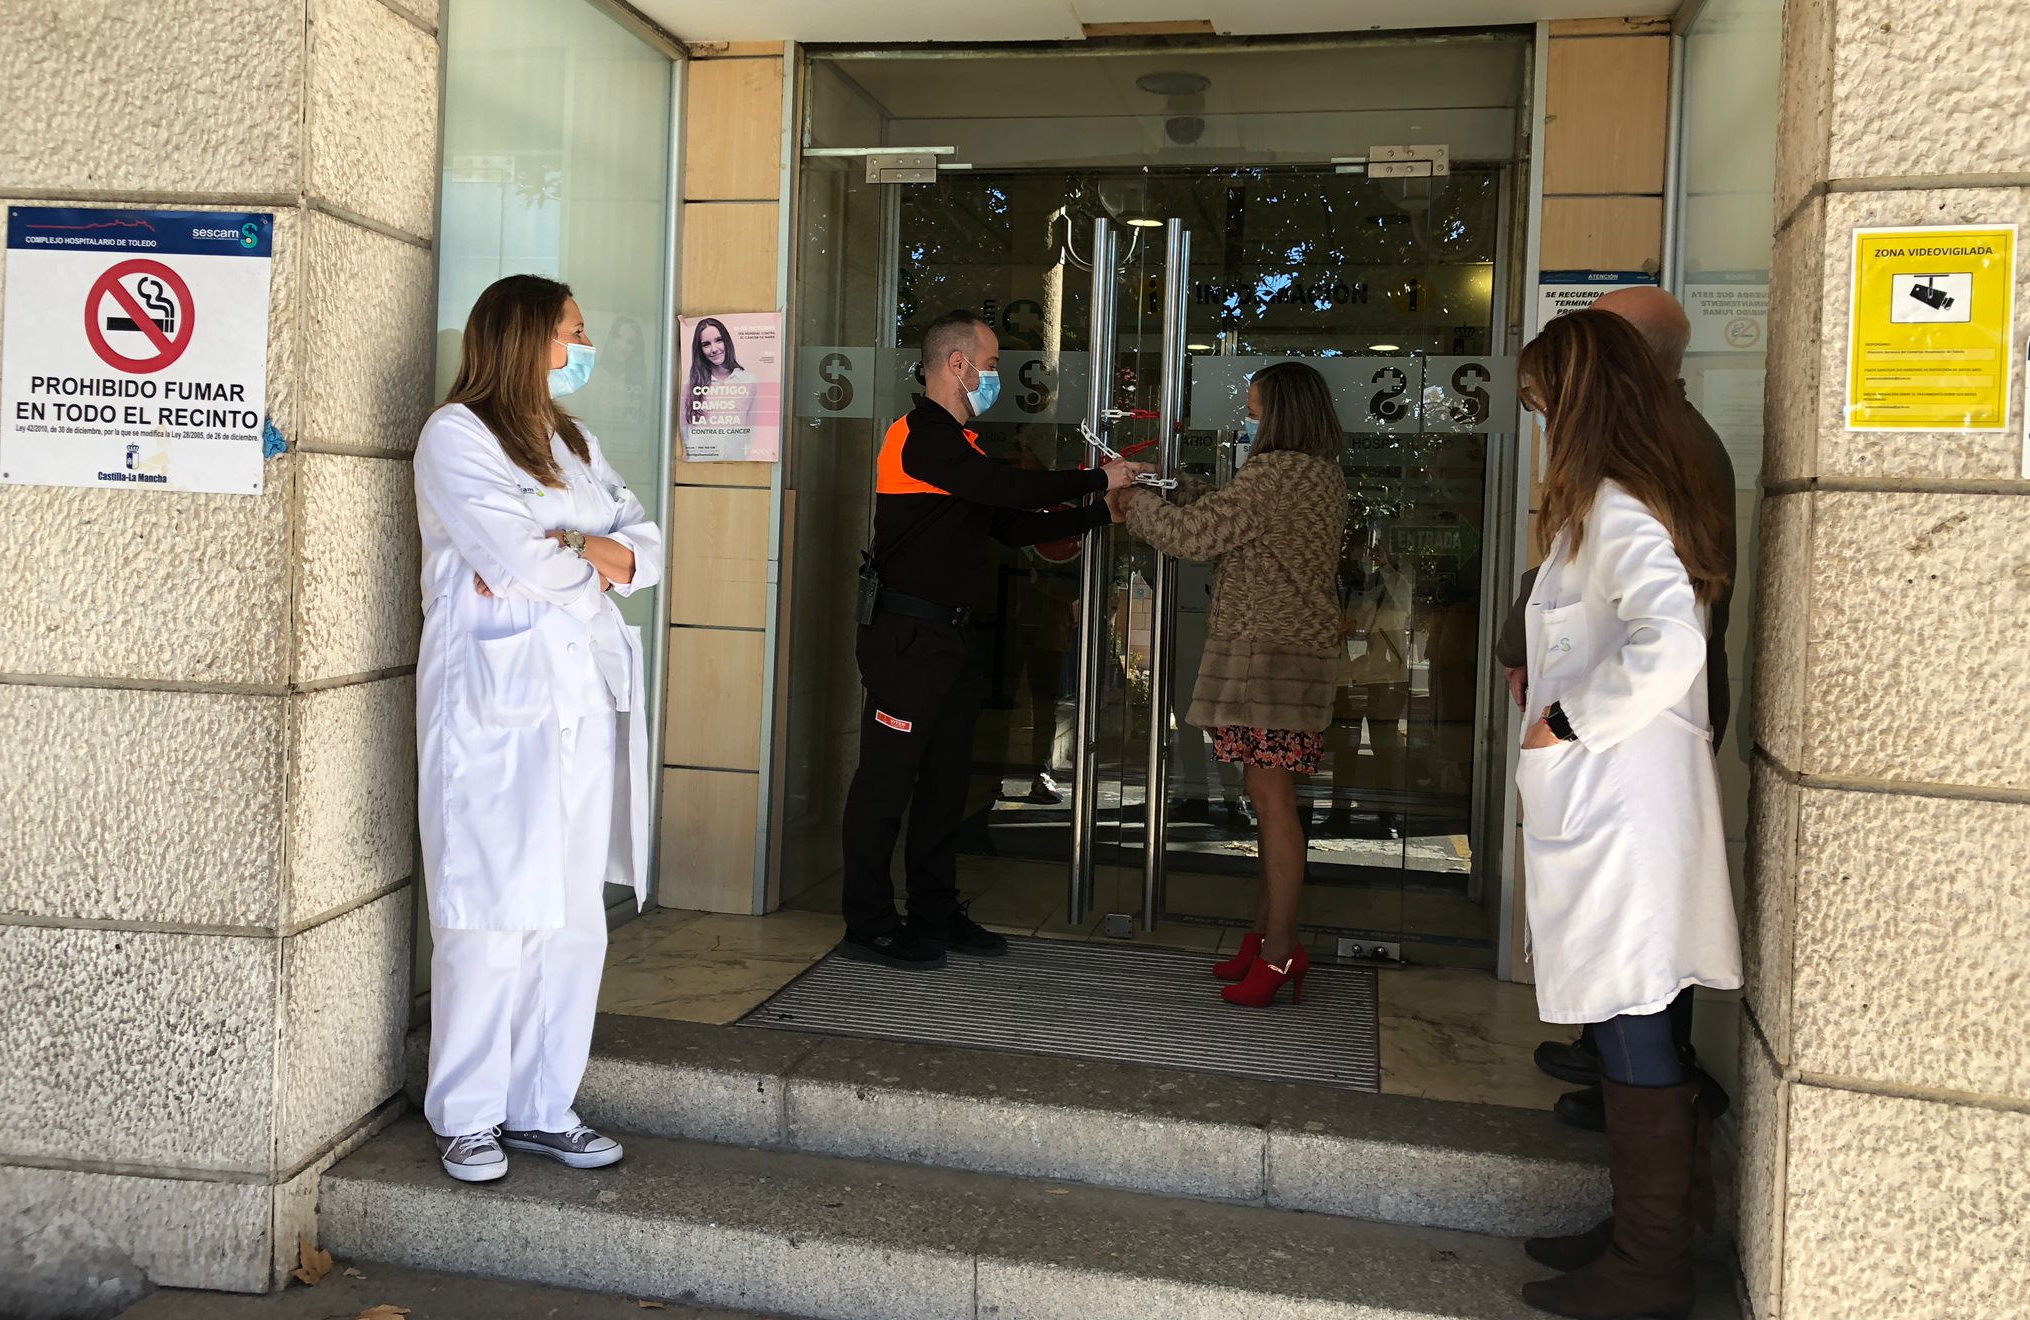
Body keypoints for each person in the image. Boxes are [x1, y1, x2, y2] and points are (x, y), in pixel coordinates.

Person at [1509, 309, 1741, 1320]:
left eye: (1540, 403)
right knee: (1620, 1009)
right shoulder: (1607, 501)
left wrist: (1564, 719)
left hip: (1623, 807)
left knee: (1635, 1011)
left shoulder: (1617, 506)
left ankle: (1649, 1268)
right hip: (1611, 808)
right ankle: (1647, 1232)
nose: (1538, 423)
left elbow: (1670, 640)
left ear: (1577, 401)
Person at [413, 275, 662, 1183]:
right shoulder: (457, 437)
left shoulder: (572, 438)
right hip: (493, 712)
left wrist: (580, 550)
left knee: (567, 918)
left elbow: (645, 543)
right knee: (487, 913)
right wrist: (581, 550)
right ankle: (468, 1116)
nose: (583, 346)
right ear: (525, 338)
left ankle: (542, 1107)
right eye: (573, 331)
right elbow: (514, 555)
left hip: (578, 706)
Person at [840, 309, 1149, 969]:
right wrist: (1099, 477)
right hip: (905, 640)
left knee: (948, 786)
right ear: (955, 364)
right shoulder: (920, 437)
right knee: (885, 786)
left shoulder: (960, 448)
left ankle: (933, 911)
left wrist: (1100, 512)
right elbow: (1008, 490)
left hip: (947, 640)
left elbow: (1007, 525)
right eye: (989, 364)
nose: (994, 376)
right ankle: (866, 924)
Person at [1114, 361, 1349, 1007]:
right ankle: (1264, 938)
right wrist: (1175, 485)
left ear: (1279, 413)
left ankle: (1279, 953)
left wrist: (1133, 501)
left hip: (1269, 665)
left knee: (1272, 806)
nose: (1248, 419)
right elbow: (1228, 516)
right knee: (1268, 797)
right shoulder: (1317, 473)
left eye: (1253, 408)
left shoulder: (1279, 473)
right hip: (1289, 661)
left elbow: (1195, 536)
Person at [684, 316, 756, 438]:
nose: (714, 349)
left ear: (727, 341)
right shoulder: (691, 385)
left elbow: (754, 431)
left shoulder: (749, 382)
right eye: (706, 344)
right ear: (700, 350)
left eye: (719, 340)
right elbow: (686, 433)